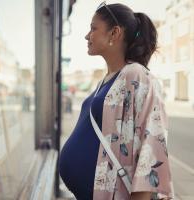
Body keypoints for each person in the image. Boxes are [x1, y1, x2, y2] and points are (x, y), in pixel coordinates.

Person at [59, 2, 174, 200]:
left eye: (93, 28)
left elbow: (151, 149)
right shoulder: (108, 79)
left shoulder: (137, 76)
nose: (87, 35)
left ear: (114, 33)